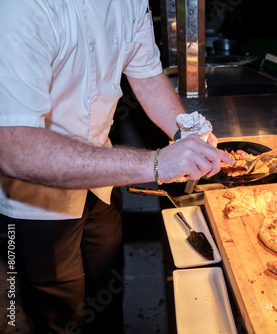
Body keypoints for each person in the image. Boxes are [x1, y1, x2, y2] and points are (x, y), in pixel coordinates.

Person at [0, 1, 233, 333]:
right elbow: (13, 149)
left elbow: (148, 75)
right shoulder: (22, 9)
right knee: (62, 318)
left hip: (102, 181)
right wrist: (155, 163)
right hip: (36, 202)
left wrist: (185, 132)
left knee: (107, 297)